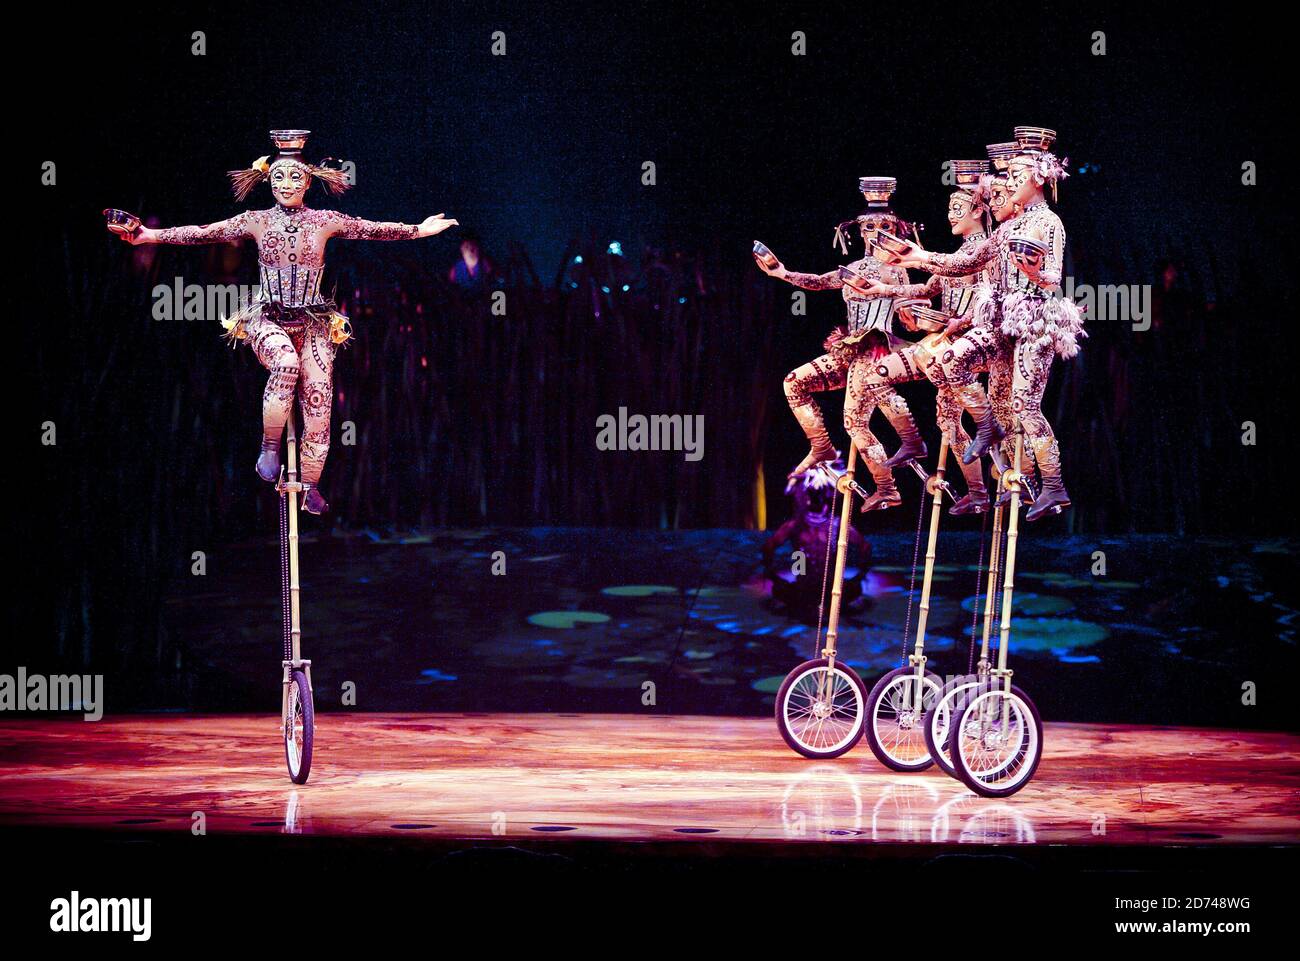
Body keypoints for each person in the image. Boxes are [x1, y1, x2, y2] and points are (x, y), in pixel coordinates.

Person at [109, 130, 457, 514]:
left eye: (294, 177)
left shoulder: (326, 220)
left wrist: (418, 230)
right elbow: (203, 234)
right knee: (286, 365)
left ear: (308, 181)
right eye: (278, 177)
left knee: (320, 399)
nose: (286, 184)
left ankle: (310, 485)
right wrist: (147, 235)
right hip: (267, 318)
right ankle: (269, 446)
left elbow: (370, 228)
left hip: (314, 322)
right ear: (268, 181)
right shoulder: (255, 221)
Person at [885, 128, 1083, 521]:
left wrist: (1036, 272)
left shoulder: (1049, 223)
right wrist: (917, 257)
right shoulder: (1008, 227)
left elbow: (1055, 276)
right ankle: (991, 432)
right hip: (1001, 323)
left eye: (1016, 176)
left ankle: (1054, 487)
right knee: (950, 363)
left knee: (1025, 406)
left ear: (1039, 177)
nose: (1008, 183)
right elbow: (966, 263)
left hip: (1033, 321)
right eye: (1008, 176)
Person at [756, 177, 921, 512]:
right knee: (794, 382)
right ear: (858, 230)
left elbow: (908, 310)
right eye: (870, 226)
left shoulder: (897, 271)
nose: (876, 232)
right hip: (848, 349)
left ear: (896, 229)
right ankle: (821, 446)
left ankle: (887, 488)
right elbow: (818, 282)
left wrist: (921, 316)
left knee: (854, 421)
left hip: (875, 350)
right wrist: (781, 273)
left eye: (884, 225)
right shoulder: (854, 267)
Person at [844, 159, 996, 515]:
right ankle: (922, 449)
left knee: (951, 416)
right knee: (882, 379)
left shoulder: (985, 250)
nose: (950, 215)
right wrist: (888, 290)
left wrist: (956, 322)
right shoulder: (961, 250)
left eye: (957, 208)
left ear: (978, 209)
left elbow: (990, 300)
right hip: (942, 340)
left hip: (966, 345)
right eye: (948, 208)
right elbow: (931, 286)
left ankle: (980, 483)